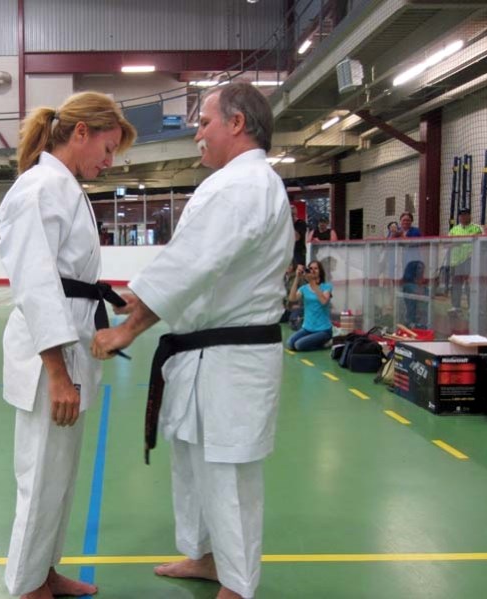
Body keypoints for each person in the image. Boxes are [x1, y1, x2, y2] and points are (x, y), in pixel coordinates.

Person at [91, 82, 292, 599]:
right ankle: (205, 557)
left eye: (204, 123)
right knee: (195, 462)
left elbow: (193, 266)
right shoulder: (235, 185)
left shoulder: (242, 187)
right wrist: (141, 295)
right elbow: (188, 262)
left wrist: (129, 328)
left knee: (228, 473)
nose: (197, 134)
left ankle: (239, 583)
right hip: (204, 352)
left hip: (231, 358)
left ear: (237, 123)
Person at [0, 91, 135, 599]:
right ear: (81, 132)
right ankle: (26, 585)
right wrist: (57, 372)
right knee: (39, 474)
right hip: (47, 358)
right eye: (108, 145)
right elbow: (36, 285)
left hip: (70, 343)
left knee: (60, 474)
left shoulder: (64, 187)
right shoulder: (38, 189)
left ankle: (46, 570)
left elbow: (71, 278)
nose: (110, 159)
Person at [286, 261, 333, 351]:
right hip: (307, 328)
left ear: (320, 271)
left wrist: (312, 282)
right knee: (290, 343)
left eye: (316, 268)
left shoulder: (326, 287)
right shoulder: (304, 288)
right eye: (310, 268)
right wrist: (297, 277)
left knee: (298, 345)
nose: (313, 270)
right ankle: (314, 340)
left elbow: (323, 301)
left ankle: (325, 343)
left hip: (323, 329)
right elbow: (292, 298)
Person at [447, 208, 482, 313]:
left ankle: (472, 306)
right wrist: (455, 243)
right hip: (456, 260)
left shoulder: (476, 228)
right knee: (456, 283)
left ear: (470, 216)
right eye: (461, 215)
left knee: (469, 284)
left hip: (470, 259)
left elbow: (480, 242)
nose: (463, 217)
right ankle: (456, 306)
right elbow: (448, 244)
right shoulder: (454, 229)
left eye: (466, 215)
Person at [402, 260, 427, 328]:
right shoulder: (408, 285)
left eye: (422, 268)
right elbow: (422, 293)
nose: (422, 271)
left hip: (419, 320)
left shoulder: (417, 285)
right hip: (411, 321)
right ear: (413, 270)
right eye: (419, 268)